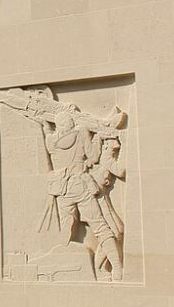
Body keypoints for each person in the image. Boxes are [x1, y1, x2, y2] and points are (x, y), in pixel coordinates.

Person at [37, 111, 124, 281]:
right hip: (80, 186)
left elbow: (49, 136)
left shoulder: (52, 141)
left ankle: (62, 259)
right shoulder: (82, 132)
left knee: (66, 228)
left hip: (62, 190)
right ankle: (118, 268)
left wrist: (46, 126)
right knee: (100, 227)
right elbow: (93, 156)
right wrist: (97, 138)